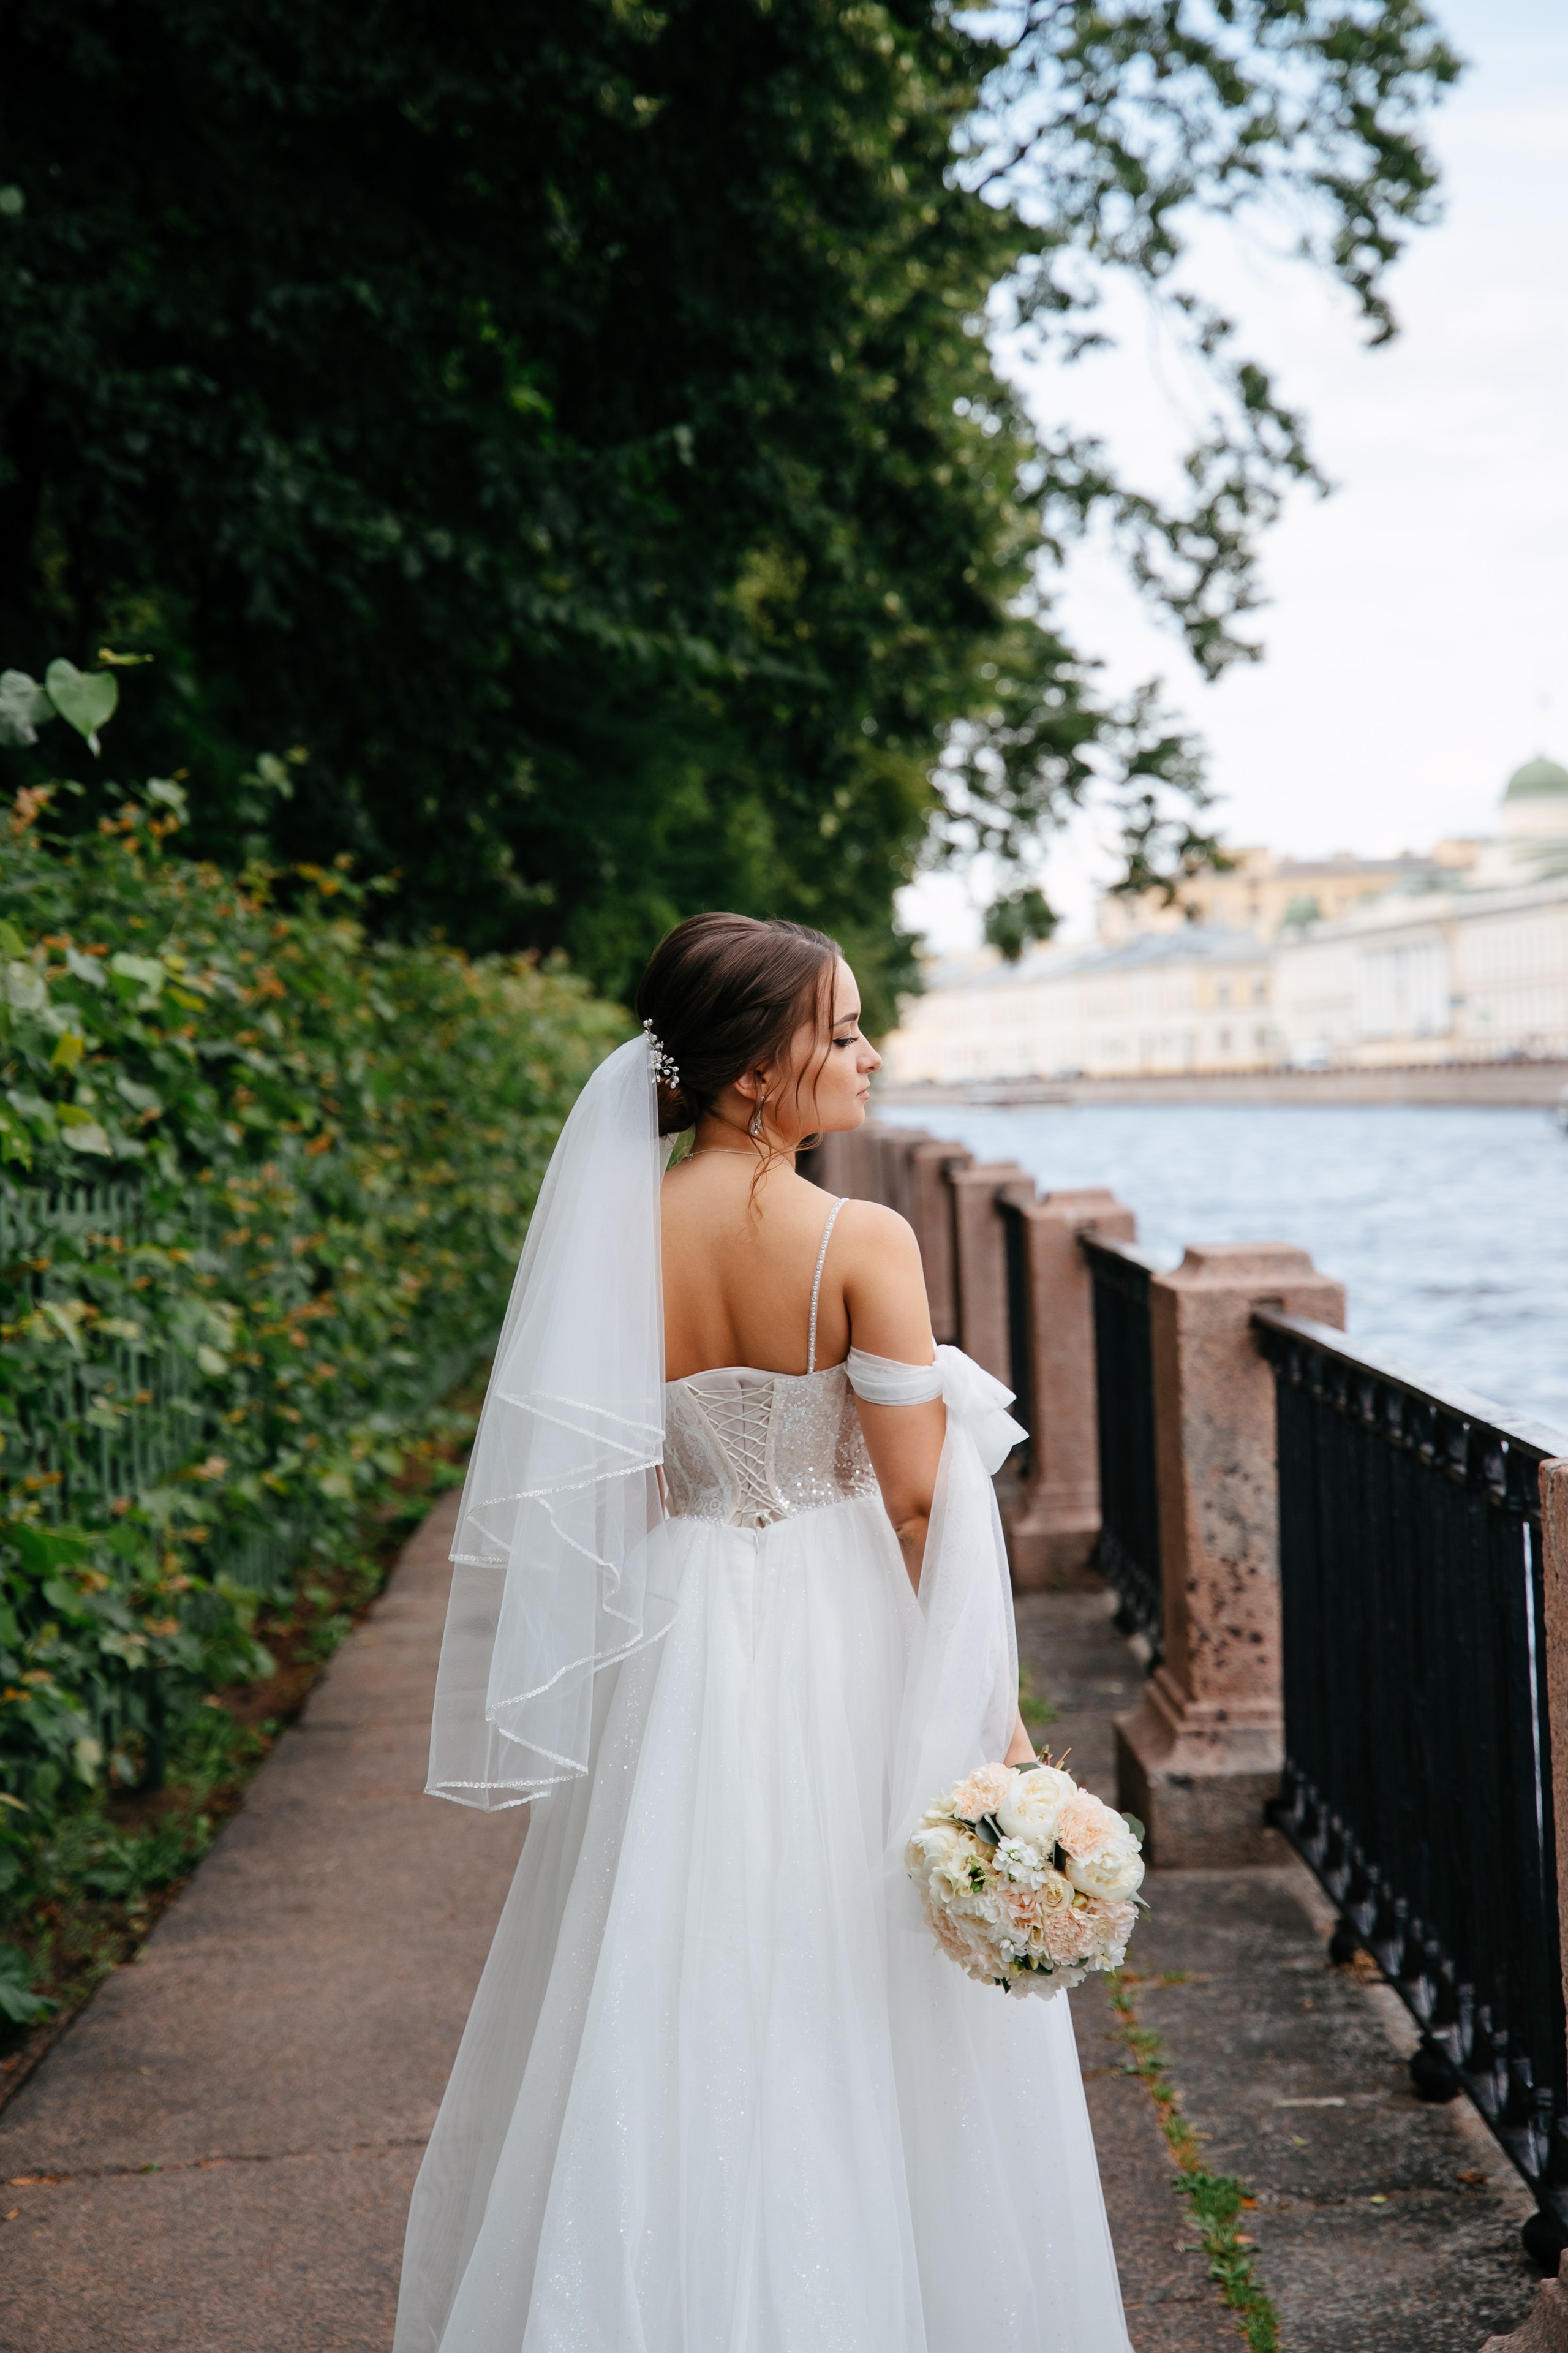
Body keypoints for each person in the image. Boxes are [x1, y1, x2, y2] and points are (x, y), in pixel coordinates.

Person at [393, 912, 1132, 2352]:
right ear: (749, 1075)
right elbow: (918, 1508)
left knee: (669, 1962)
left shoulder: (612, 1235)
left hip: (677, 1628)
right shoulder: (861, 1238)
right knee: (847, 1968)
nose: (869, 1052)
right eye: (840, 1030)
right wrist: (996, 1721)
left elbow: (614, 1480)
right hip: (836, 1617)